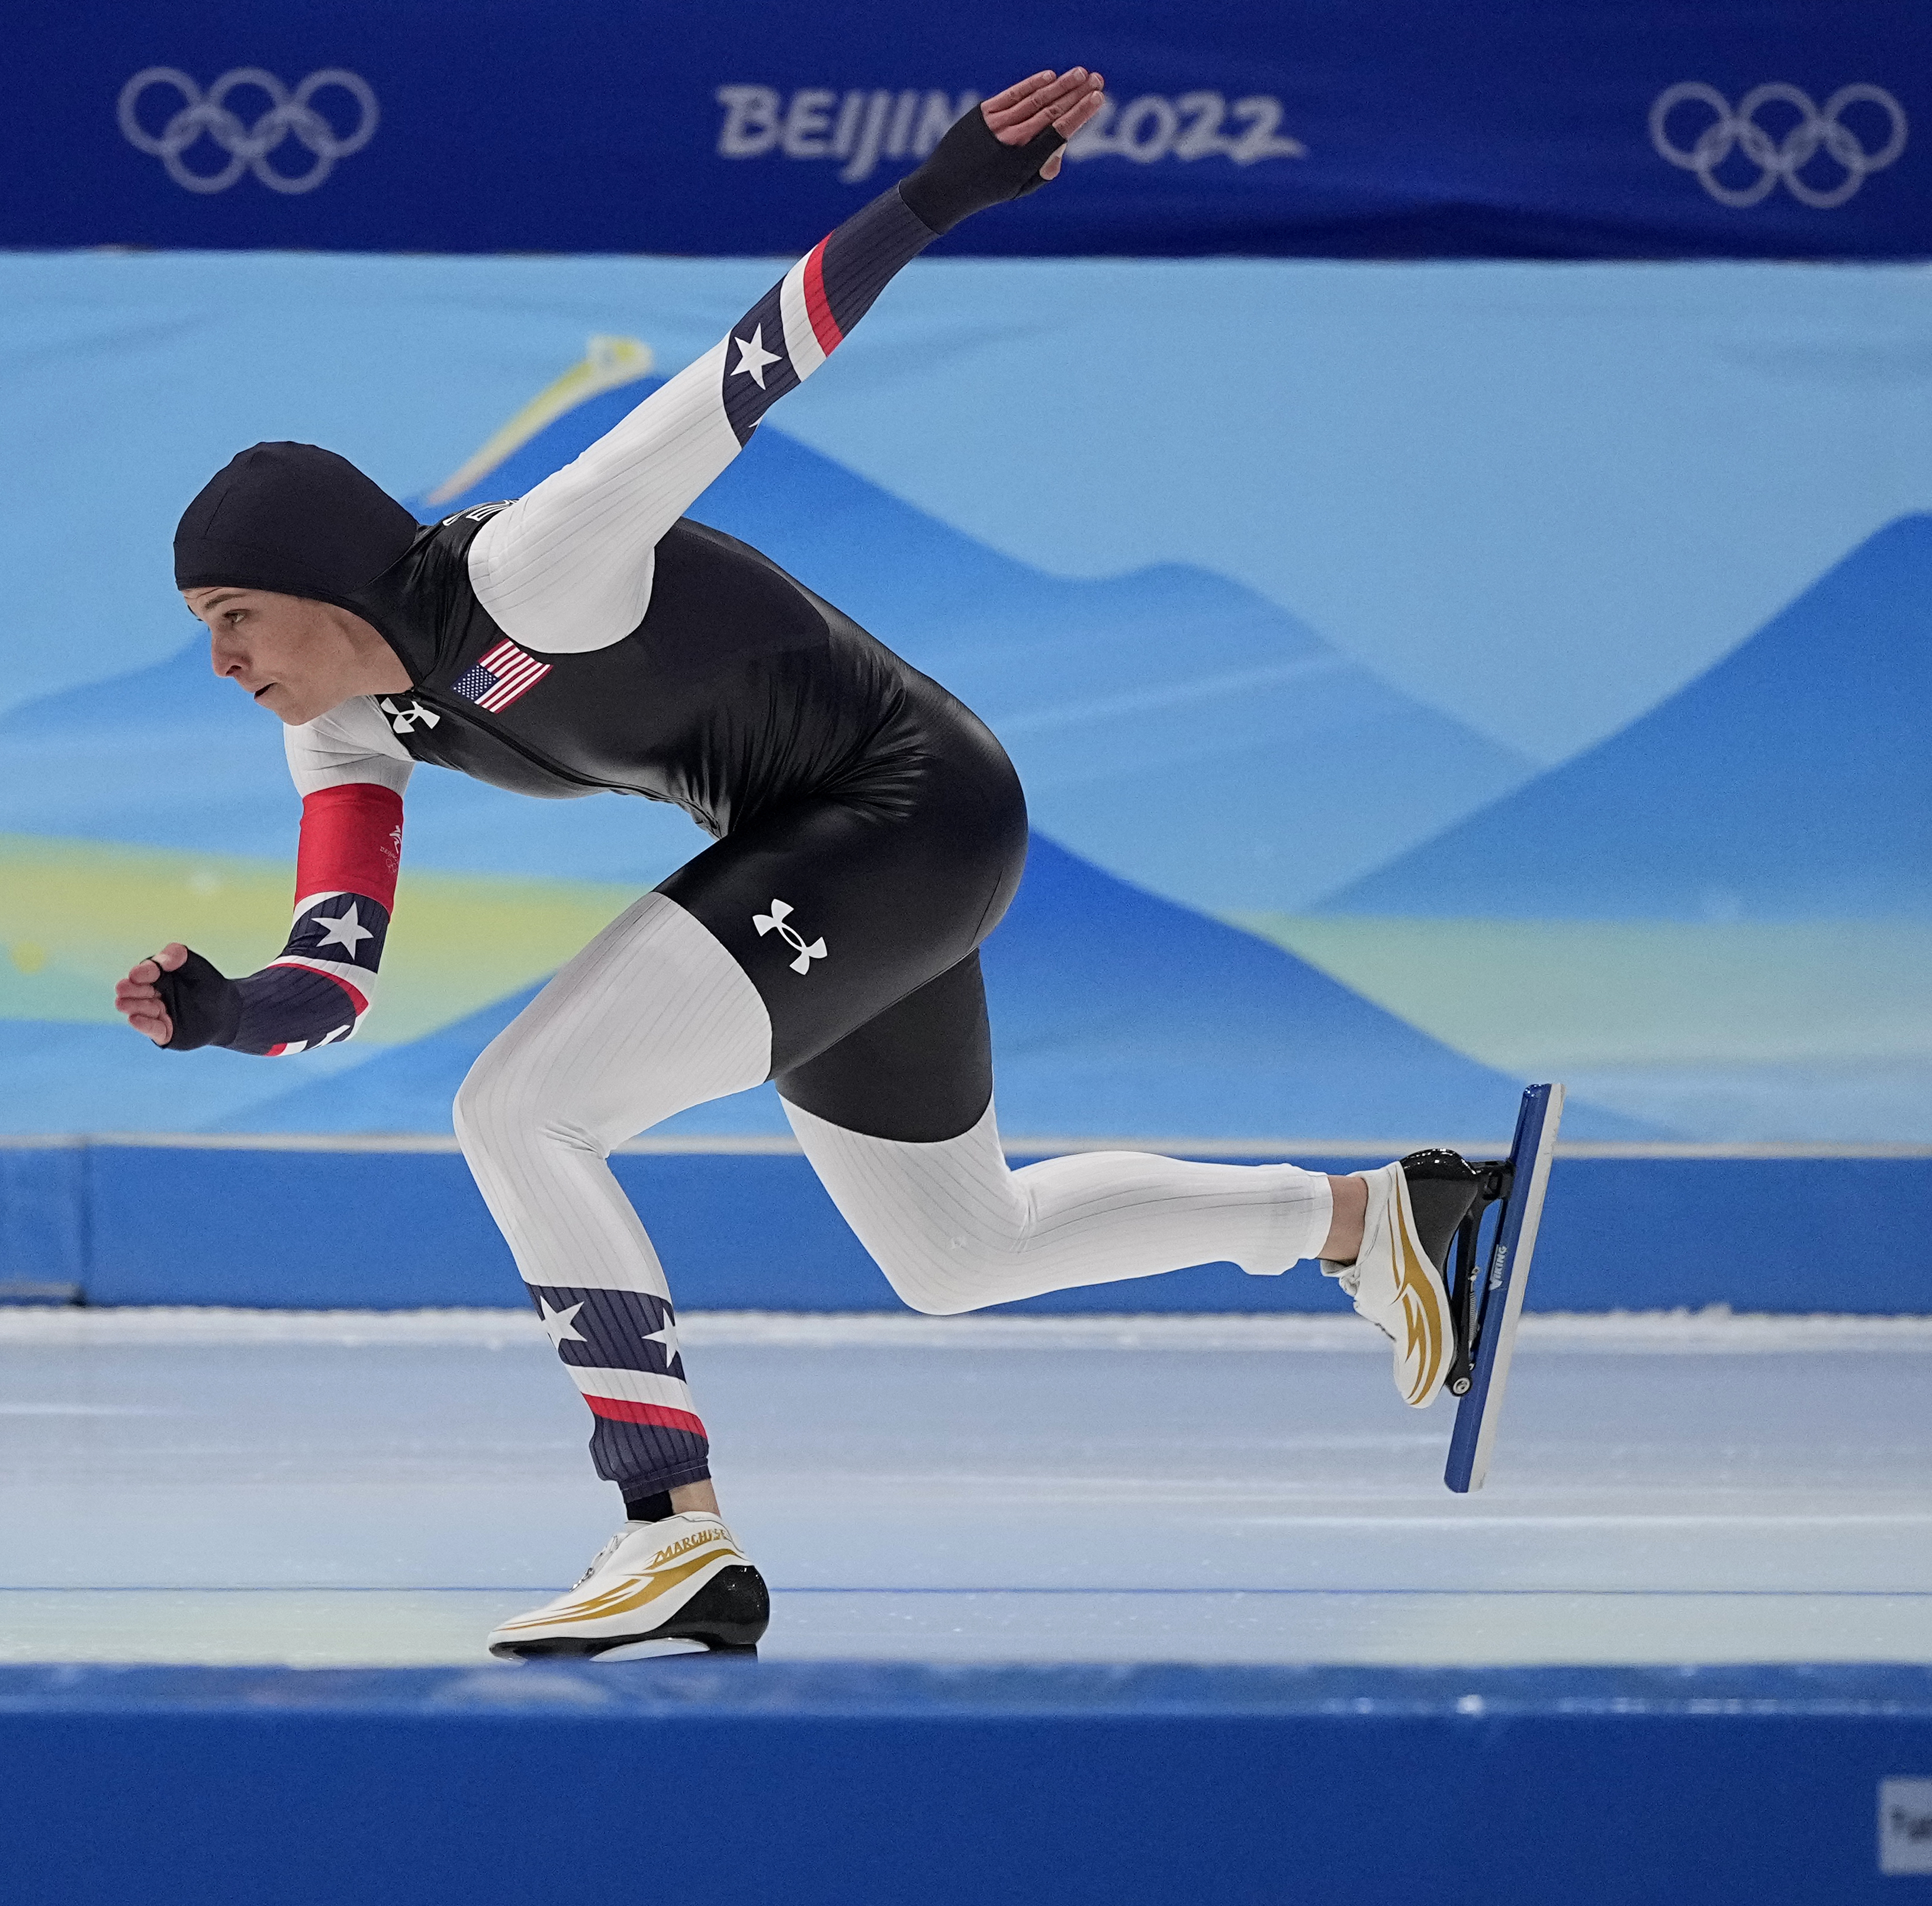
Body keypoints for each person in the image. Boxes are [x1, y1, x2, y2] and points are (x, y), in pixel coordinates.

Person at [117, 68, 1497, 1658]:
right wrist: (227, 1009)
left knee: (517, 1106)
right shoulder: (349, 731)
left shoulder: (526, 568)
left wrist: (941, 193)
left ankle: (666, 1528)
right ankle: (1374, 1216)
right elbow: (330, 985)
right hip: (842, 851)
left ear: (313, 582)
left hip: (901, 805)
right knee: (956, 1251)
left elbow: (744, 369)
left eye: (231, 619)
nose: (222, 665)